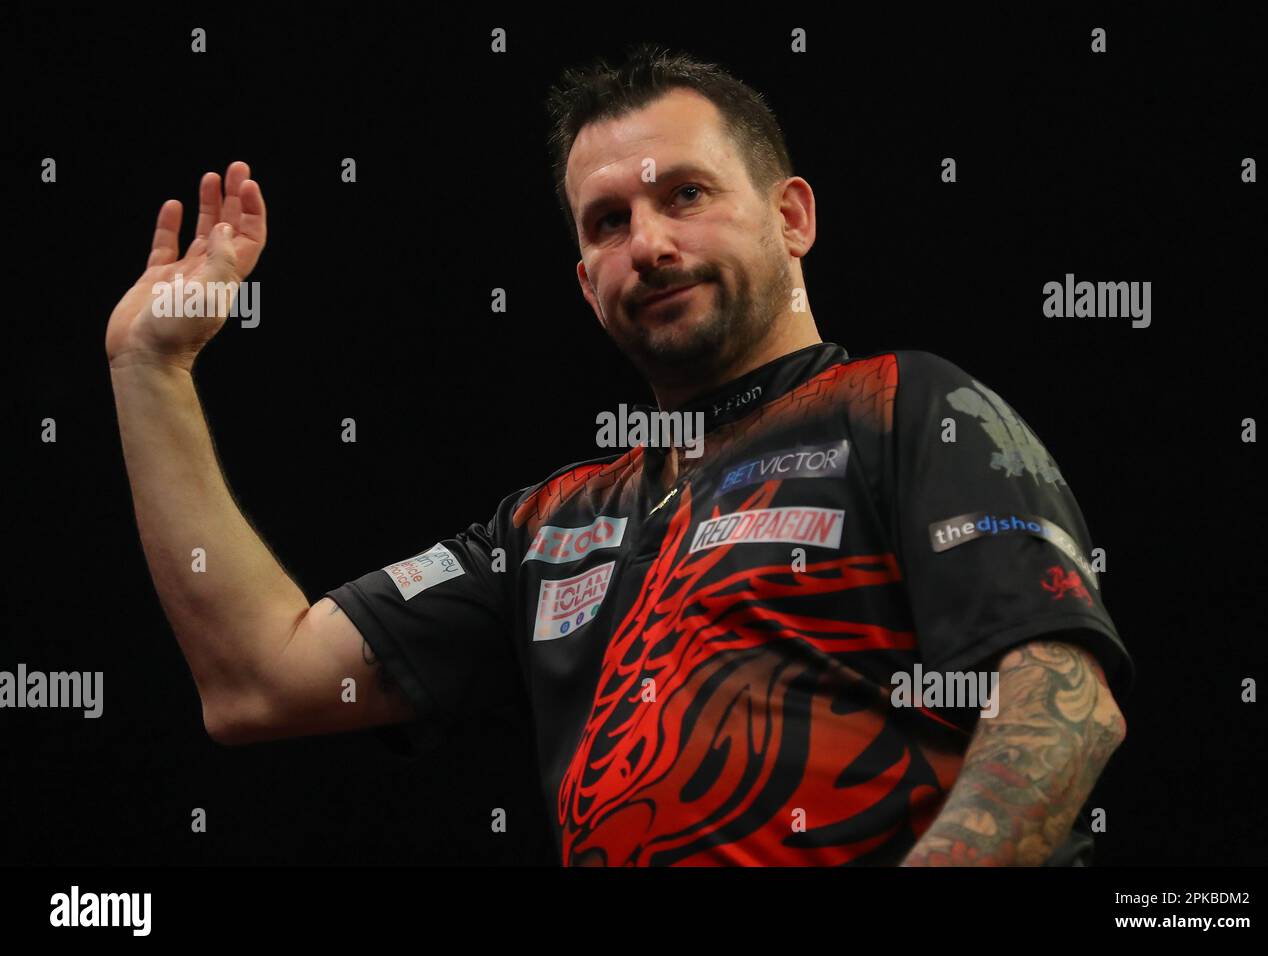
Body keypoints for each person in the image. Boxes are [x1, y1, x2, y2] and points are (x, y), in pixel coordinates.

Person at [106, 44, 1133, 866]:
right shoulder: (549, 527)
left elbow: (1064, 706)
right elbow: (257, 679)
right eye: (608, 221)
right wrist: (151, 370)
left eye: (684, 195)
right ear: (583, 280)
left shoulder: (905, 406)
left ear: (791, 217)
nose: (646, 243)